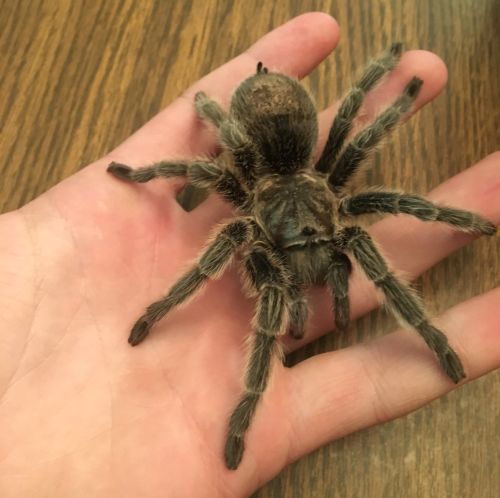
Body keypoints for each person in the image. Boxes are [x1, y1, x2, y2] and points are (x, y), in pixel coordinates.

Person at [0, 12, 498, 498]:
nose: (309, 258)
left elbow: (367, 122)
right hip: (261, 151)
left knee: (359, 130)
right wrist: (159, 303)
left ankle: (434, 338)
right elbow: (212, 181)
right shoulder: (246, 218)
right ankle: (247, 407)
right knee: (266, 312)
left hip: (292, 163)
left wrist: (396, 95)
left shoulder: (337, 209)